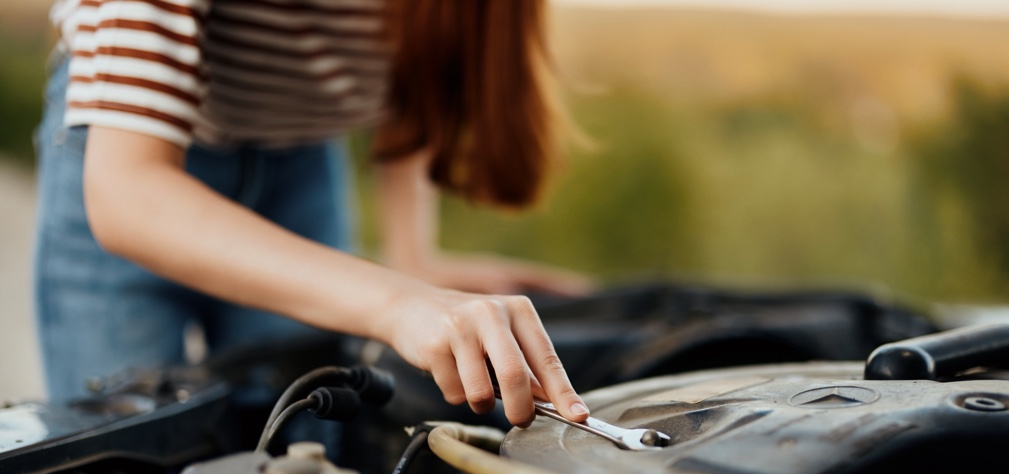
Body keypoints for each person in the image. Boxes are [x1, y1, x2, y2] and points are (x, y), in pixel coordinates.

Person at [34, 0, 593, 428]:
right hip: (129, 147)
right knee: (124, 460)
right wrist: (399, 302)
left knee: (300, 448)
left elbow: (415, 60)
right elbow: (128, 193)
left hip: (303, 156)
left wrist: (414, 258)